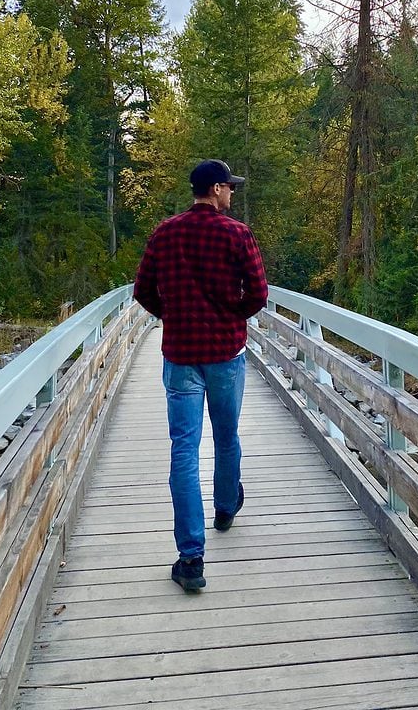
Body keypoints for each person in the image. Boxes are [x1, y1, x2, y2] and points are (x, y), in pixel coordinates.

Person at [133, 159, 269, 592]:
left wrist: (172, 317)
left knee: (184, 452)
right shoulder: (236, 233)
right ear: (214, 190)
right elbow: (259, 293)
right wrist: (232, 320)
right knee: (226, 436)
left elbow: (142, 290)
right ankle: (226, 507)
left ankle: (191, 559)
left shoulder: (164, 232)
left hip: (181, 355)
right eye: (229, 187)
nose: (232, 194)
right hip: (225, 354)